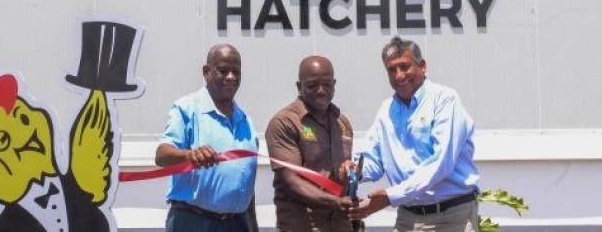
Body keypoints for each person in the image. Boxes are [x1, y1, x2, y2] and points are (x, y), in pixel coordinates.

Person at [347, 36, 481, 232]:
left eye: (404, 66)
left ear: (423, 66)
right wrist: (355, 171)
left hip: (451, 218)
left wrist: (390, 196)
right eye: (392, 70)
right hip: (407, 217)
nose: (399, 75)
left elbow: (440, 164)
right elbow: (373, 160)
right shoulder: (387, 110)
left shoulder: (445, 100)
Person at [155, 43, 260, 232]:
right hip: (194, 221)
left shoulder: (246, 121)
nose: (231, 77)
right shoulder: (186, 108)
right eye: (223, 70)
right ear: (206, 72)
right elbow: (162, 155)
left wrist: (253, 225)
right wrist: (190, 155)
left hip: (238, 223)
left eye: (236, 71)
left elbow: (245, 182)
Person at [265, 55, 356, 232]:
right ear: (299, 86)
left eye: (327, 84)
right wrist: (337, 202)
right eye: (313, 85)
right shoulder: (284, 123)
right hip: (303, 225)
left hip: (340, 225)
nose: (321, 91)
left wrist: (351, 175)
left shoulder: (342, 123)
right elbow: (291, 182)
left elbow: (343, 175)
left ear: (334, 84)